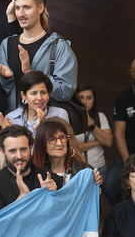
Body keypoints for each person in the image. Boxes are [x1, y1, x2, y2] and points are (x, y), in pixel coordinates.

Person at [0, 0, 78, 115]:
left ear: (40, 8)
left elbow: (66, 91)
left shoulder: (59, 47)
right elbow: (4, 92)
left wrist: (31, 74)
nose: (21, 14)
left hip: (46, 125)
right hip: (16, 123)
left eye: (27, 7)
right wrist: (7, 79)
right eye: (18, 8)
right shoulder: (7, 44)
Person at [0, 124, 61, 217]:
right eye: (12, 151)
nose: (19, 156)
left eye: (23, 149)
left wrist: (52, 197)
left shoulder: (53, 180)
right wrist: (21, 200)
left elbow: (62, 219)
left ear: (31, 148)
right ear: (2, 152)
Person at [31, 117, 102, 186]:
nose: (59, 143)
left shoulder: (84, 170)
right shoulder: (33, 173)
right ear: (42, 144)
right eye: (52, 139)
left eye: (62, 137)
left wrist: (97, 185)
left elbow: (93, 197)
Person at [103, 59, 135, 206]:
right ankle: (126, 212)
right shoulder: (124, 98)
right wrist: (129, 163)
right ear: (132, 73)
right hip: (128, 154)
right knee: (110, 185)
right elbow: (119, 133)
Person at [0, 71, 69, 136]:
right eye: (33, 93)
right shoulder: (12, 118)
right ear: (23, 95)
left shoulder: (59, 115)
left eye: (43, 92)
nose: (39, 98)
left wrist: (43, 128)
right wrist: (8, 137)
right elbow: (5, 148)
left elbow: (61, 145)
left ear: (49, 94)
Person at [75, 84, 111, 180]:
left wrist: (91, 125)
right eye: (81, 98)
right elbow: (73, 147)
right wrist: (97, 142)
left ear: (94, 100)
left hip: (99, 168)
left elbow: (108, 141)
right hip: (77, 169)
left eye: (89, 98)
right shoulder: (69, 118)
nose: (85, 102)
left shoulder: (100, 117)